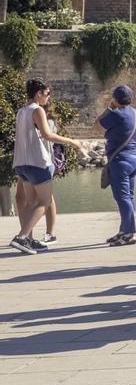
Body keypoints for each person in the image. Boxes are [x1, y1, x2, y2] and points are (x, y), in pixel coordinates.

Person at [10, 79, 83, 254]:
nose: (48, 97)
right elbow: (47, 135)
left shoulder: (21, 112)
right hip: (37, 163)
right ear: (38, 94)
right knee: (45, 201)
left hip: (21, 164)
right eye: (47, 94)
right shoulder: (37, 110)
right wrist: (72, 141)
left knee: (31, 203)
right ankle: (21, 237)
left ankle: (28, 240)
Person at [94, 85, 136, 246]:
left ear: (115, 99)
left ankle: (129, 234)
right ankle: (124, 229)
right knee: (129, 196)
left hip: (120, 161)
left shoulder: (115, 114)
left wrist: (108, 109)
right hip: (134, 159)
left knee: (123, 198)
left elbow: (96, 127)